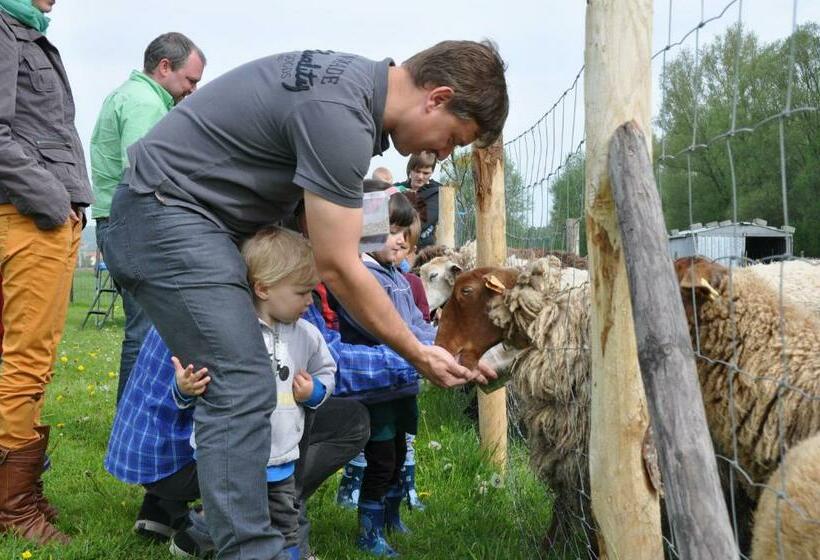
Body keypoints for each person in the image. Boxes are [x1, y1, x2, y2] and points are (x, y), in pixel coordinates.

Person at [103, 41, 507, 559]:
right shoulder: (343, 116)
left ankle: (224, 528)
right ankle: (251, 549)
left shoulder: (348, 93)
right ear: (438, 97)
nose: (442, 153)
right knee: (243, 374)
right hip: (166, 216)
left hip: (189, 220)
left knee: (257, 375)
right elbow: (338, 264)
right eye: (453, 138)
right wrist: (416, 351)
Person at [172, 226, 336, 560]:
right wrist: (184, 388)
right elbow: (190, 386)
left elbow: (327, 372)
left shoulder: (307, 335)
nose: (311, 300)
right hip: (229, 461)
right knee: (233, 524)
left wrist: (314, 390)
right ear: (263, 288)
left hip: (281, 459)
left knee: (285, 525)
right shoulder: (226, 332)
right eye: (302, 292)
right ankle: (199, 535)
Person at [0, 0, 92, 545]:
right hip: (29, 215)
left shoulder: (25, 30)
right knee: (27, 359)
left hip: (33, 212)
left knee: (19, 357)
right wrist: (54, 200)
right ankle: (14, 508)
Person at [90, 32, 205, 403]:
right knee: (146, 330)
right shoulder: (145, 104)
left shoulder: (127, 94)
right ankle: (131, 422)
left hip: (115, 224)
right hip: (135, 227)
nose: (192, 90)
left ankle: (137, 415)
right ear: (165, 67)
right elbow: (146, 176)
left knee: (146, 328)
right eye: (190, 81)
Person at [334, 190, 433, 556]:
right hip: (377, 390)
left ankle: (390, 515)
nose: (401, 241)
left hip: (401, 386)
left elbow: (414, 325)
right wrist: (423, 352)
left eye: (405, 233)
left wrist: (442, 342)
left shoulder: (398, 279)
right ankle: (368, 531)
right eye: (392, 230)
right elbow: (384, 331)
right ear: (365, 230)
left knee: (398, 457)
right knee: (381, 461)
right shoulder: (361, 279)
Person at [395, 151, 441, 248]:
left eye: (425, 173)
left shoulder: (437, 193)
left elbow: (421, 223)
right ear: (410, 169)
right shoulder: (396, 189)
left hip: (422, 250)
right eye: (417, 171)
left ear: (432, 173)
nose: (420, 176)